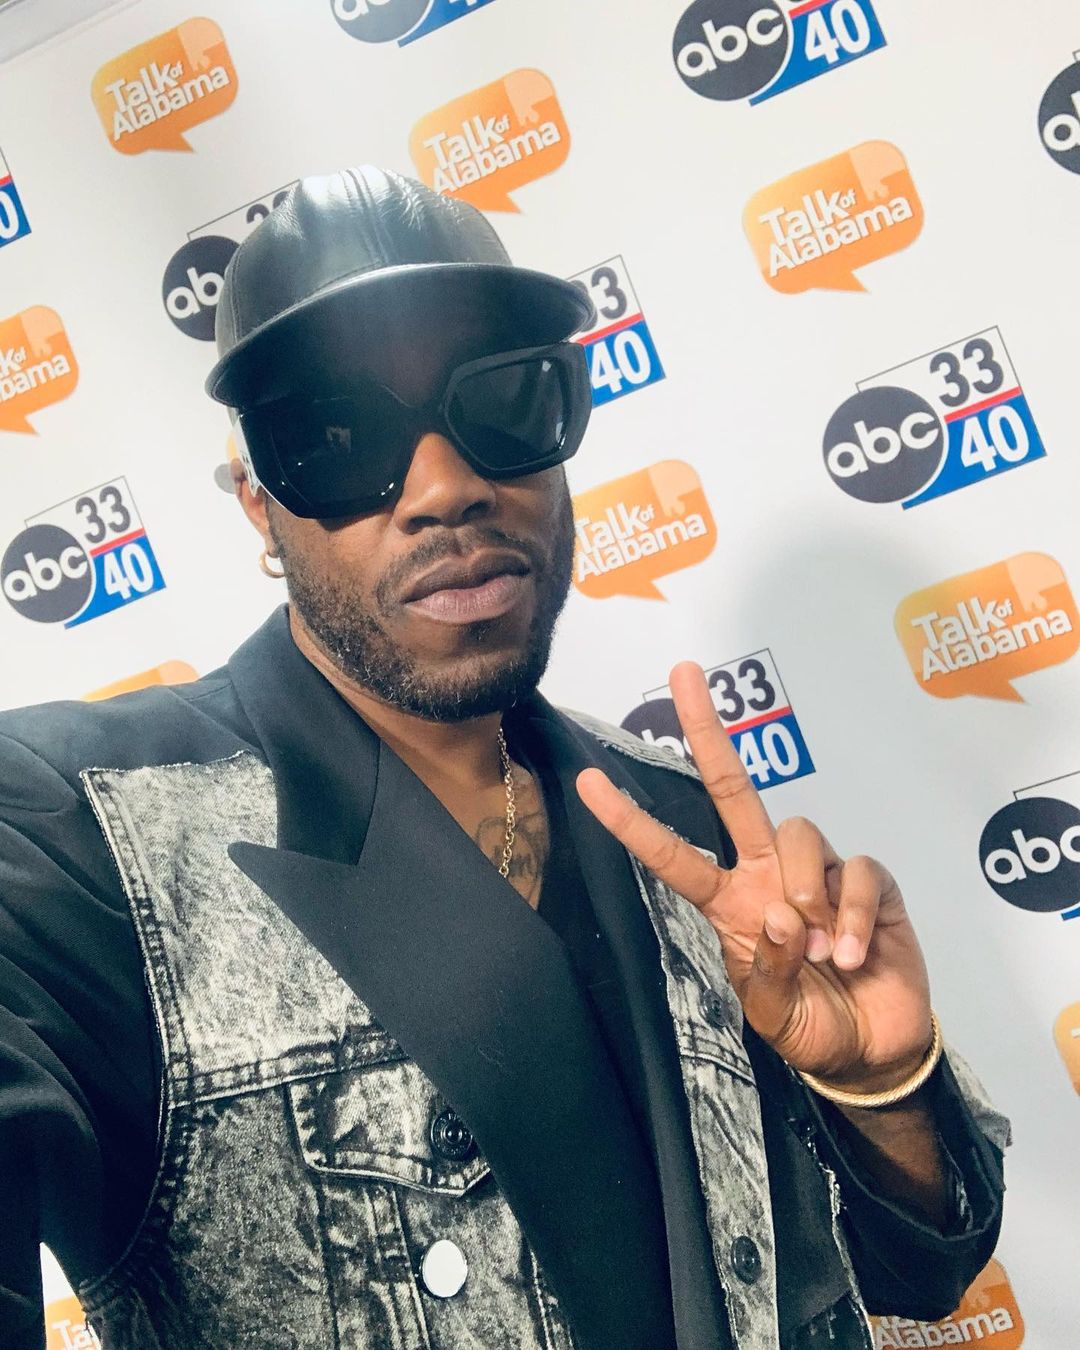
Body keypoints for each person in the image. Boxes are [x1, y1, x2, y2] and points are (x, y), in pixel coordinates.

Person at [0, 166, 1008, 1350]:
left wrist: (878, 1090)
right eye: (337, 438)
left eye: (503, 403)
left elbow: (915, 1271)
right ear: (259, 510)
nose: (446, 488)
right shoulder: (79, 841)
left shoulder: (680, 821)